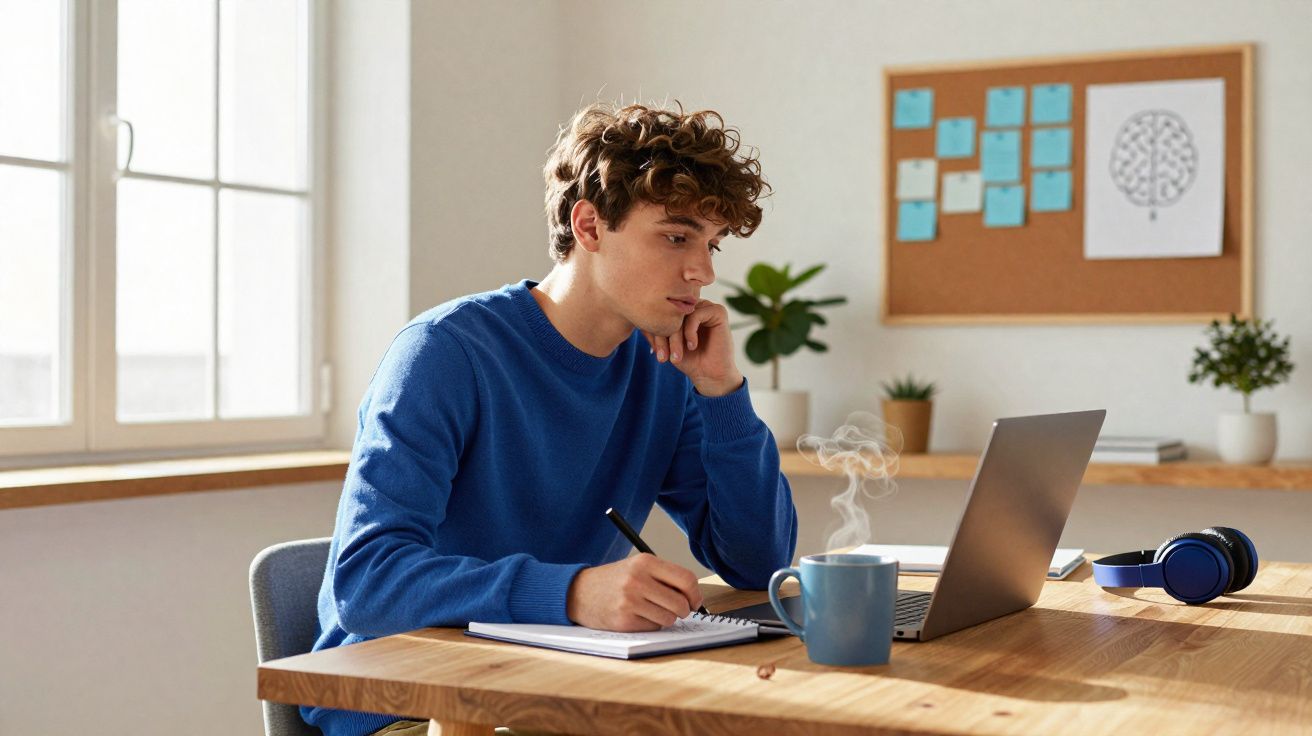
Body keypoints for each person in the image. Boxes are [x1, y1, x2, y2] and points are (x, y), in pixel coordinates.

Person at [303, 102, 799, 736]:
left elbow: (757, 562)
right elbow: (366, 581)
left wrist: (722, 394)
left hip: (552, 689)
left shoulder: (663, 371)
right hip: (404, 708)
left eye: (710, 244)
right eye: (676, 236)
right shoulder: (445, 353)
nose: (701, 271)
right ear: (588, 225)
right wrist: (572, 594)